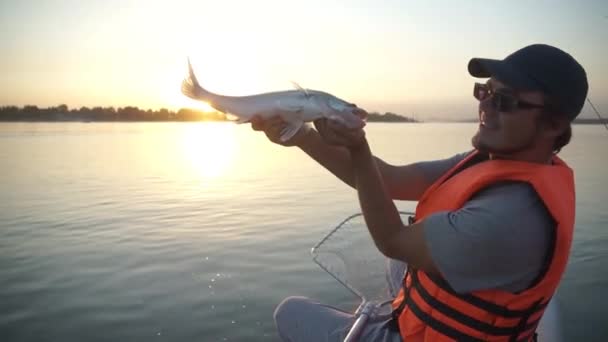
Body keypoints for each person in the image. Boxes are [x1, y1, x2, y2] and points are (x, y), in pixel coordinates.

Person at [251, 44, 588, 341]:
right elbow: (391, 180)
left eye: (504, 100)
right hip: (424, 319)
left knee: (291, 313)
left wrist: (358, 148)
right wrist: (302, 137)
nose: (485, 106)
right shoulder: (490, 161)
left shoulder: (511, 220)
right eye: (484, 92)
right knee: (397, 265)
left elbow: (392, 240)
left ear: (554, 125)